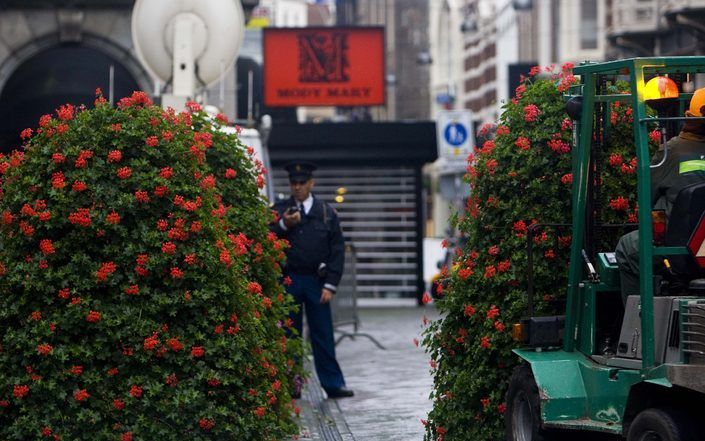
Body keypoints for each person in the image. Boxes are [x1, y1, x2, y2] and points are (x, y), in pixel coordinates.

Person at [270, 160, 353, 399]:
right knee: (289, 335)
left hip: (317, 281)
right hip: (289, 280)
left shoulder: (325, 213)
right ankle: (292, 384)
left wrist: (331, 285)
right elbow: (266, 235)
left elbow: (337, 250)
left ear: (311, 183)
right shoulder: (280, 210)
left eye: (302, 183)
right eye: (293, 183)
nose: (297, 187)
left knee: (323, 335)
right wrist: (285, 224)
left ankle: (333, 383)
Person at [616, 88, 705, 304]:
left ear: (688, 117)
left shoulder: (672, 151)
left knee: (627, 247)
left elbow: (646, 197)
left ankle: (640, 322)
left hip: (684, 248)